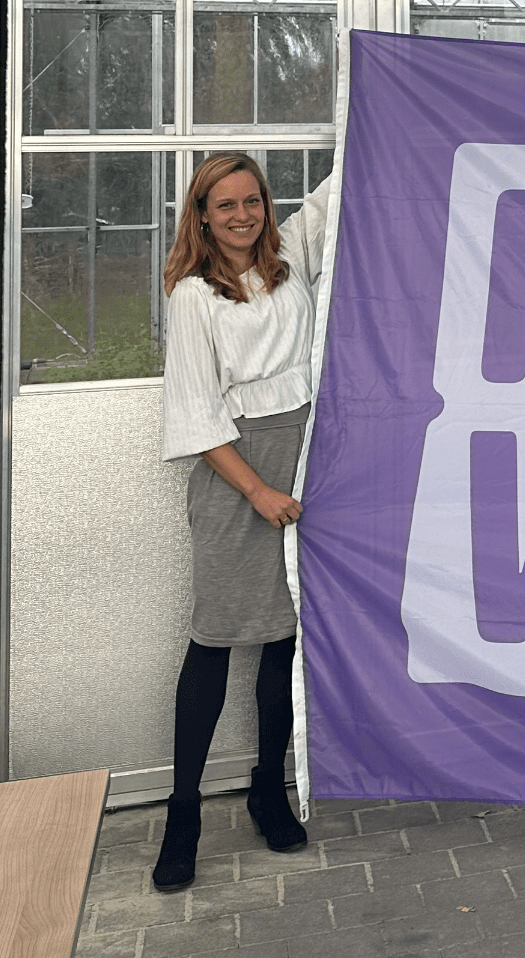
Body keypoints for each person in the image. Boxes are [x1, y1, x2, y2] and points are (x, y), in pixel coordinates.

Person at [152, 155, 331, 891]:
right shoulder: (193, 294)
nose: (241, 215)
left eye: (251, 200)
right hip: (240, 468)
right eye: (223, 205)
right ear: (201, 215)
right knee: (217, 639)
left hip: (305, 451)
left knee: (284, 638)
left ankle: (268, 788)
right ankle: (183, 813)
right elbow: (195, 411)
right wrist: (257, 490)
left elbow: (341, 186)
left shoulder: (290, 256)